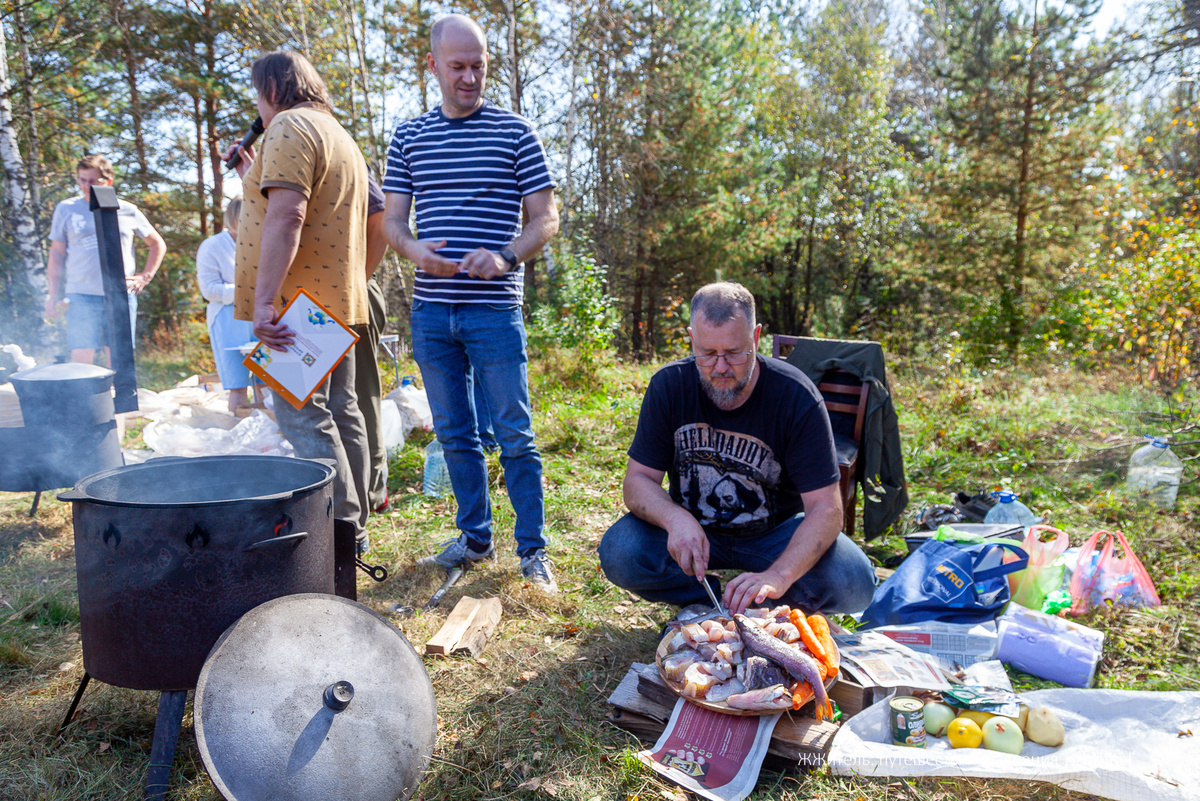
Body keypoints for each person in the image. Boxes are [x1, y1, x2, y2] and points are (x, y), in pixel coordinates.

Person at [382, 13, 560, 593]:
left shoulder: (515, 133)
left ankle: (533, 550)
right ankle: (476, 537)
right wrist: (415, 251)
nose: (469, 77)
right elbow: (393, 223)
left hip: (494, 313)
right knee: (455, 434)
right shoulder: (408, 137)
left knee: (515, 434)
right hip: (432, 314)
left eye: (478, 66)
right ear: (432, 65)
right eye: (457, 66)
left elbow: (545, 218)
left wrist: (507, 256)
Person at [597, 282, 877, 615]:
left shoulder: (795, 396)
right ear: (691, 338)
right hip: (694, 531)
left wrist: (778, 575)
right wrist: (674, 518)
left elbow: (827, 509)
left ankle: (762, 603)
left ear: (756, 338)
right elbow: (637, 480)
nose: (720, 367)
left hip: (774, 536)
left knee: (855, 582)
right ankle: (707, 601)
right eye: (707, 353)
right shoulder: (669, 385)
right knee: (620, 551)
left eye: (734, 353)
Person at [228, 50, 372, 583]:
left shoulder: (288, 126)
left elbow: (288, 214)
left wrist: (264, 303)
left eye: (256, 96)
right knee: (343, 412)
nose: (257, 108)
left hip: (298, 309)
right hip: (338, 301)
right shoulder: (336, 133)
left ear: (271, 89)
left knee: (302, 418)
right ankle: (354, 528)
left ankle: (341, 532)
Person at [44, 154, 166, 365]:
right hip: (80, 294)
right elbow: (56, 255)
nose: (85, 186)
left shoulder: (127, 210)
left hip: (121, 293)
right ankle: (87, 398)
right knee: (81, 359)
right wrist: (53, 294)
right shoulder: (66, 209)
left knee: (119, 358)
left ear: (108, 181)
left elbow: (157, 244)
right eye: (81, 180)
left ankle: (117, 398)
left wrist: (144, 277)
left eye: (92, 181)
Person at [196, 196, 260, 413]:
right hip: (227, 319)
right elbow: (209, 290)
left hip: (260, 316)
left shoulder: (262, 243)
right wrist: (246, 291)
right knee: (238, 385)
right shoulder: (212, 246)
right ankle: (238, 434)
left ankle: (271, 434)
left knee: (267, 383)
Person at [355, 176, 391, 513]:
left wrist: (357, 281)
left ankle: (372, 492)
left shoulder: (338, 145)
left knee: (359, 394)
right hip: (308, 299)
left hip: (350, 290)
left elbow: (380, 222)